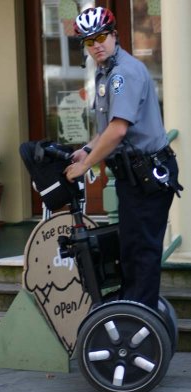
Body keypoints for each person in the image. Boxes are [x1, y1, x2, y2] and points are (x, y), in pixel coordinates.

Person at [65, 7, 183, 310]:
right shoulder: (106, 72)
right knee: (130, 248)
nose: (97, 45)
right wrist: (89, 150)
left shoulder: (123, 74)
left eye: (102, 37)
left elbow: (118, 131)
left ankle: (137, 328)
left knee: (140, 251)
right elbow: (107, 130)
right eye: (90, 42)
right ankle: (135, 312)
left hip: (147, 174)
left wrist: (85, 166)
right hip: (133, 176)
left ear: (115, 35)